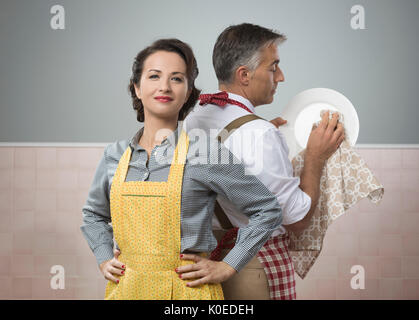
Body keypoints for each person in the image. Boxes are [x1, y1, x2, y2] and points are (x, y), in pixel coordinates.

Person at [80, 38, 283, 300]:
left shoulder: (204, 152)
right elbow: (93, 215)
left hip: (187, 294)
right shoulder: (115, 155)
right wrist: (104, 257)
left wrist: (228, 265)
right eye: (154, 76)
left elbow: (267, 209)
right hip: (127, 291)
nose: (164, 86)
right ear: (137, 88)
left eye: (176, 78)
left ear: (188, 93)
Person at [184, 23, 345, 299]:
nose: (280, 77)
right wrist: (315, 158)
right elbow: (296, 220)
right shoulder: (259, 134)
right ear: (244, 75)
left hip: (209, 259)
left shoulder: (195, 115)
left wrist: (257, 135)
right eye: (273, 67)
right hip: (254, 264)